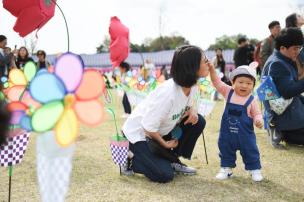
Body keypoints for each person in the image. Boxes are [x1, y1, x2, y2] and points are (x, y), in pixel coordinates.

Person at [121, 45, 208, 183]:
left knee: (198, 121)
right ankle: (130, 159)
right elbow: (148, 128)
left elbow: (191, 103)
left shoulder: (192, 85)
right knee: (164, 175)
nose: (208, 63)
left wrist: (193, 110)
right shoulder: (168, 94)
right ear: (192, 66)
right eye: (205, 60)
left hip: (158, 131)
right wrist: (165, 144)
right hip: (138, 135)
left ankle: (172, 159)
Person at [209, 61, 263, 181]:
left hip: (245, 136)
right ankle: (226, 169)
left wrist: (258, 120)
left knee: (251, 151)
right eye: (240, 82)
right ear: (233, 83)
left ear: (253, 85)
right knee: (225, 150)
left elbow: (257, 114)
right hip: (227, 134)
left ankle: (255, 170)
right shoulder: (228, 92)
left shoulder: (251, 100)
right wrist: (212, 69)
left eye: (249, 83)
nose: (244, 86)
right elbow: (216, 82)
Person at [262, 27, 304, 147]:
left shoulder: (284, 60)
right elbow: (288, 92)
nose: (298, 51)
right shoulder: (277, 64)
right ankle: (280, 134)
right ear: (282, 48)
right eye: (295, 48)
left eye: (299, 48)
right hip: (287, 124)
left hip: (293, 117)